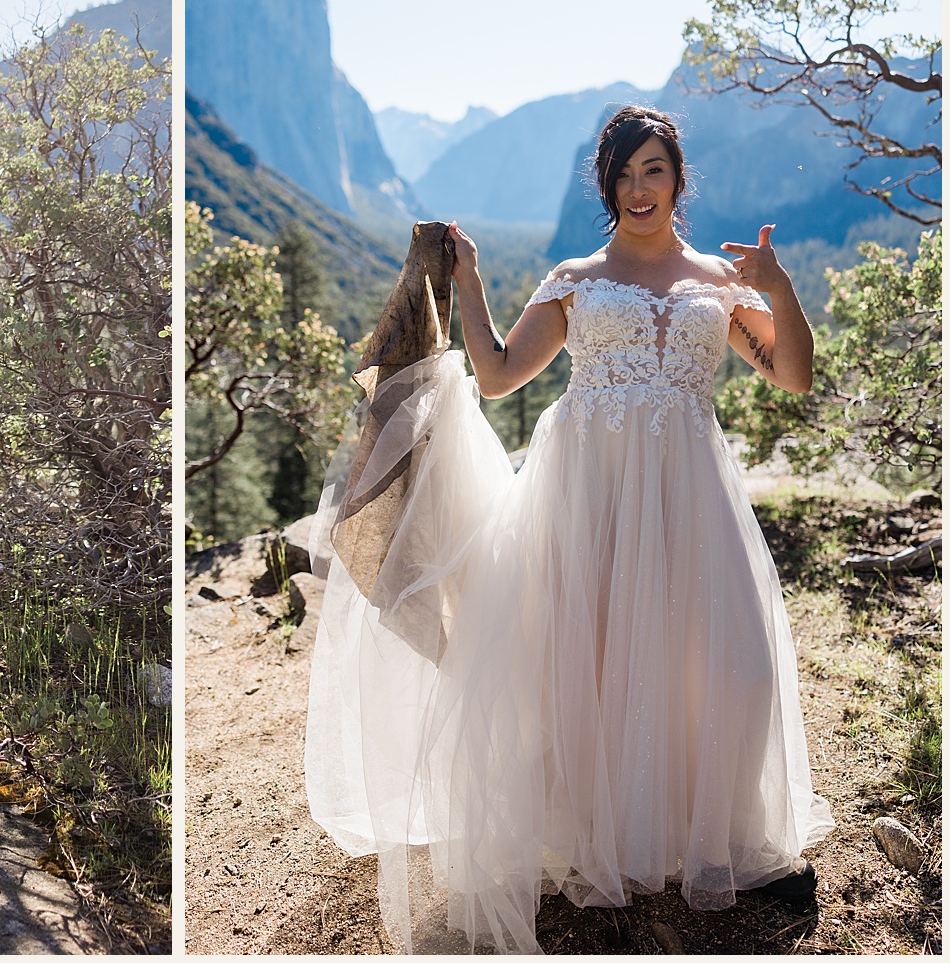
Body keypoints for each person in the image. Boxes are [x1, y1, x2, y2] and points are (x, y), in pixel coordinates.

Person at [303, 106, 832, 952]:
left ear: (677, 176)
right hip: (586, 488)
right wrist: (470, 286)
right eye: (621, 174)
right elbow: (503, 374)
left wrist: (780, 289)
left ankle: (708, 829)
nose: (636, 189)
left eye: (651, 169)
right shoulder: (577, 277)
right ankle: (600, 833)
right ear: (606, 185)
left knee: (729, 667)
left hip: (689, 491)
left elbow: (795, 376)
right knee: (586, 659)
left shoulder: (721, 282)